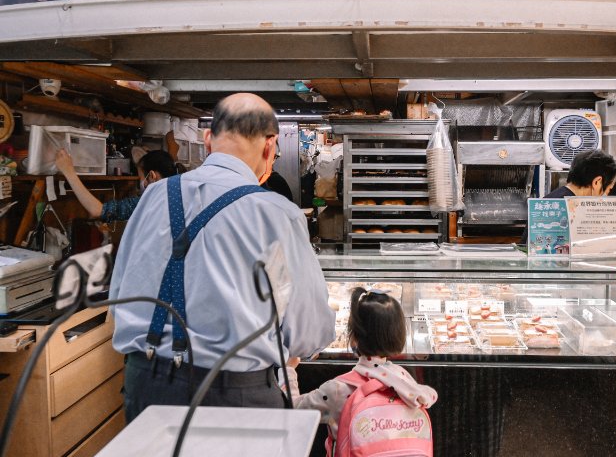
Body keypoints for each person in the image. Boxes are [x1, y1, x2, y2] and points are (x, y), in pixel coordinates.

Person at [109, 93, 335, 421]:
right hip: (234, 395)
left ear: (207, 140)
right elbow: (307, 333)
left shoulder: (156, 195)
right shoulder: (275, 212)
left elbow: (120, 293)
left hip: (147, 386)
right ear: (270, 146)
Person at [285, 287, 438, 452]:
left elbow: (294, 411)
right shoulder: (406, 380)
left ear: (354, 338)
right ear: (399, 335)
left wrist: (288, 370)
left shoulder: (337, 389)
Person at [520, 150, 616, 244]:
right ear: (597, 182)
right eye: (609, 189)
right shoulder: (574, 208)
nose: (606, 196)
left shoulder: (551, 200)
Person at [55, 148, 177, 222]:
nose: (140, 184)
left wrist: (69, 172)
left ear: (151, 176)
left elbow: (98, 211)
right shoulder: (179, 197)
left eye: (140, 178)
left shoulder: (147, 203)